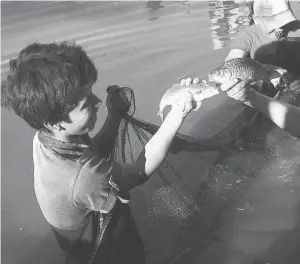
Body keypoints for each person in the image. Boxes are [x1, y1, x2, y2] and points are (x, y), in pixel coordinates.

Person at [1, 41, 198, 263]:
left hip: (80, 231)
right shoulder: (84, 177)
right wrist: (178, 114)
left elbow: (92, 155)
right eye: (86, 104)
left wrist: (114, 116)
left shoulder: (46, 137)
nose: (98, 102)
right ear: (54, 122)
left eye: (92, 93)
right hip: (98, 249)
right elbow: (139, 171)